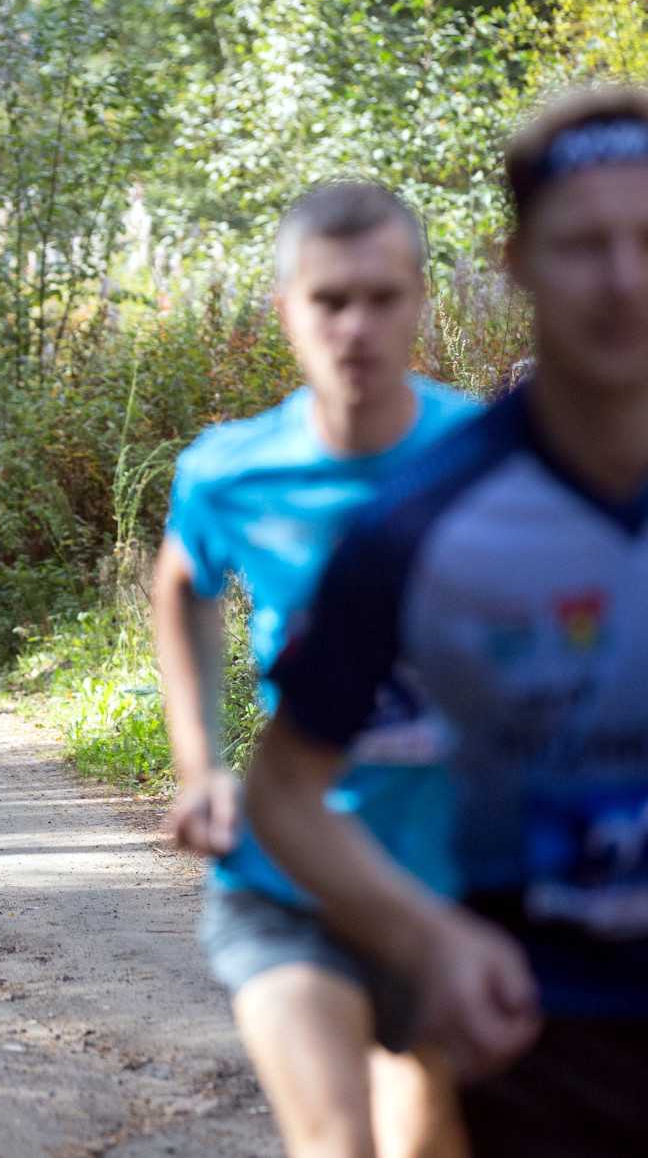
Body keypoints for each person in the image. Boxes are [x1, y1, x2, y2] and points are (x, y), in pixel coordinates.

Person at [246, 90, 648, 1157]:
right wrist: (422, 934)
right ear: (514, 260)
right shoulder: (418, 525)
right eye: (582, 245)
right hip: (538, 1045)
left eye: (646, 238)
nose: (622, 281)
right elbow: (283, 789)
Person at [152, 182, 480, 1158]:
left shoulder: (489, 460)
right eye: (328, 300)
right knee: (337, 1146)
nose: (355, 328)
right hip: (287, 876)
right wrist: (197, 762)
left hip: (452, 882)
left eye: (381, 298)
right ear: (283, 308)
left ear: (420, 298)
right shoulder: (228, 471)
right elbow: (178, 585)